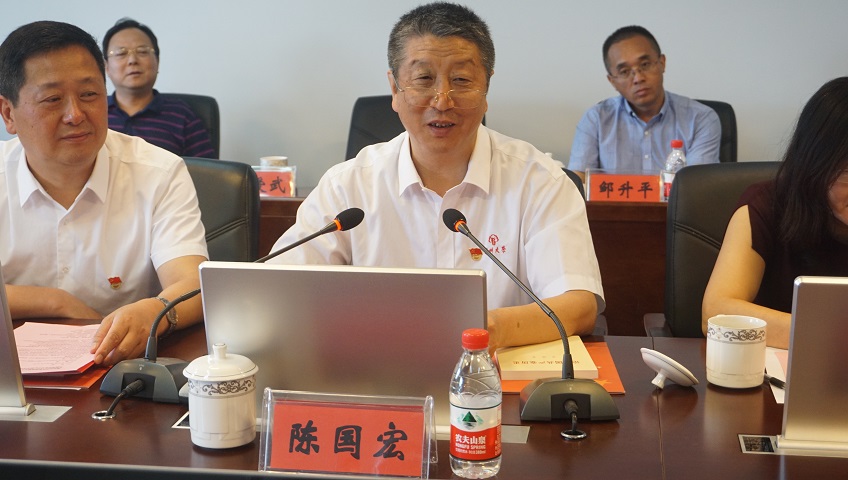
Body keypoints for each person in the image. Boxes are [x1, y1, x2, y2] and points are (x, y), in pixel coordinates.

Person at [268, 2, 604, 352]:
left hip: (493, 376)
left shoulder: (540, 181)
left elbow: (579, 305)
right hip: (375, 370)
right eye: (424, 79)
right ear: (395, 89)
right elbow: (278, 289)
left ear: (486, 89)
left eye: (461, 80)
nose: (442, 101)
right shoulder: (347, 187)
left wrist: (488, 329)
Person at [0, 21, 208, 365]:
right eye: (53, 99)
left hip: (123, 369)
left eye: (89, 94)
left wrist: (155, 311)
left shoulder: (159, 172)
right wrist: (56, 302)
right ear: (9, 113)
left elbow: (193, 285)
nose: (75, 114)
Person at [702, 77, 848, 349]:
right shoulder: (766, 206)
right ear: (815, 165)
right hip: (774, 368)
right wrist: (828, 336)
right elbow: (716, 312)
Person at [568, 25, 721, 181]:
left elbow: (696, 185)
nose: (638, 78)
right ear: (612, 81)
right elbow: (578, 182)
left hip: (677, 199)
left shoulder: (701, 119)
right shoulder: (595, 120)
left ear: (662, 63)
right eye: (624, 72)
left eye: (645, 65)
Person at [103, 18, 217, 158]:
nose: (132, 60)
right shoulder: (95, 112)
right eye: (121, 53)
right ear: (106, 67)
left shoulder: (182, 116)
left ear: (157, 61)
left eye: (142, 51)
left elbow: (206, 170)